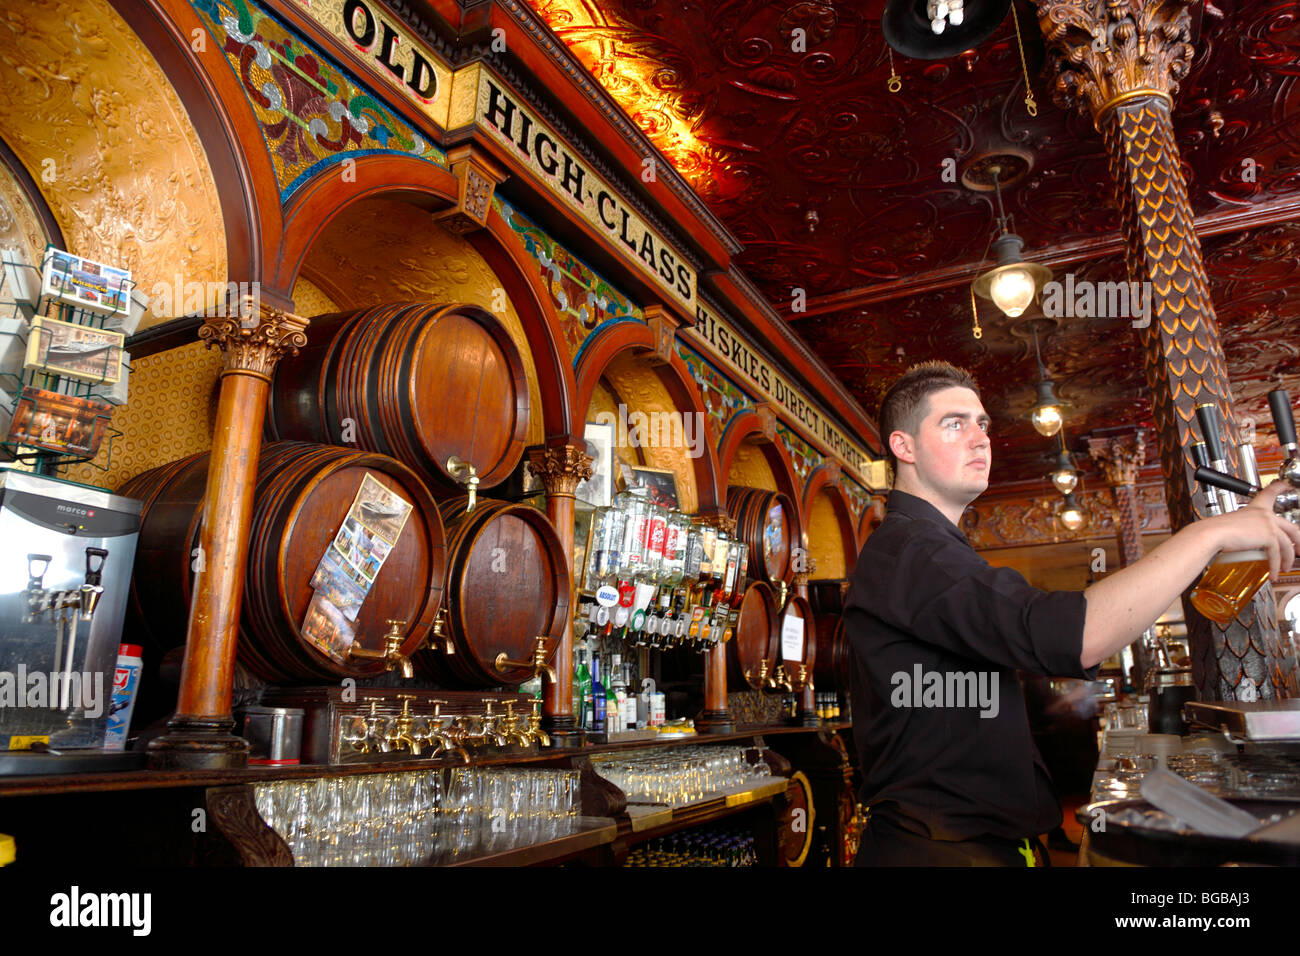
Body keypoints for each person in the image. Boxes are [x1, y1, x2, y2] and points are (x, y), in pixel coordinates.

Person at [846, 361, 1300, 866]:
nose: (980, 439)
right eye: (954, 423)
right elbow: (1071, 633)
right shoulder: (914, 550)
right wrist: (1210, 534)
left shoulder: (930, 548)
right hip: (937, 851)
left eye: (983, 424)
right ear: (903, 447)